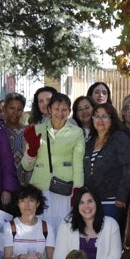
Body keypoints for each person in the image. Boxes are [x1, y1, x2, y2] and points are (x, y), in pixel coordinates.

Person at [22, 92, 85, 236]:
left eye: (64, 109)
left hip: (64, 189)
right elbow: (26, 166)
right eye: (56, 109)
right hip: (40, 188)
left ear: (69, 111)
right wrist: (32, 150)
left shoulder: (76, 132)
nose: (60, 113)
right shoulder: (37, 130)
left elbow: (78, 165)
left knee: (63, 229)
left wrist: (77, 190)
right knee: (40, 230)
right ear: (49, 109)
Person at [47, 187, 122, 259]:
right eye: (81, 203)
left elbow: (115, 256)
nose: (86, 206)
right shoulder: (67, 224)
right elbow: (58, 256)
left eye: (90, 201)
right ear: (77, 206)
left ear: (97, 203)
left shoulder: (111, 224)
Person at [83, 101, 130, 226]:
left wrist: (121, 196)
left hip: (112, 200)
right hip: (92, 201)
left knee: (108, 236)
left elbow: (128, 168)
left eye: (104, 116)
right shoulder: (90, 142)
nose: (100, 120)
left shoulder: (119, 138)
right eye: (96, 116)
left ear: (112, 119)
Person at [1, 92, 29, 188]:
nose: (15, 112)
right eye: (12, 108)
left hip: (25, 186)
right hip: (4, 187)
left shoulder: (29, 131)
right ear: (5, 109)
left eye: (19, 109)